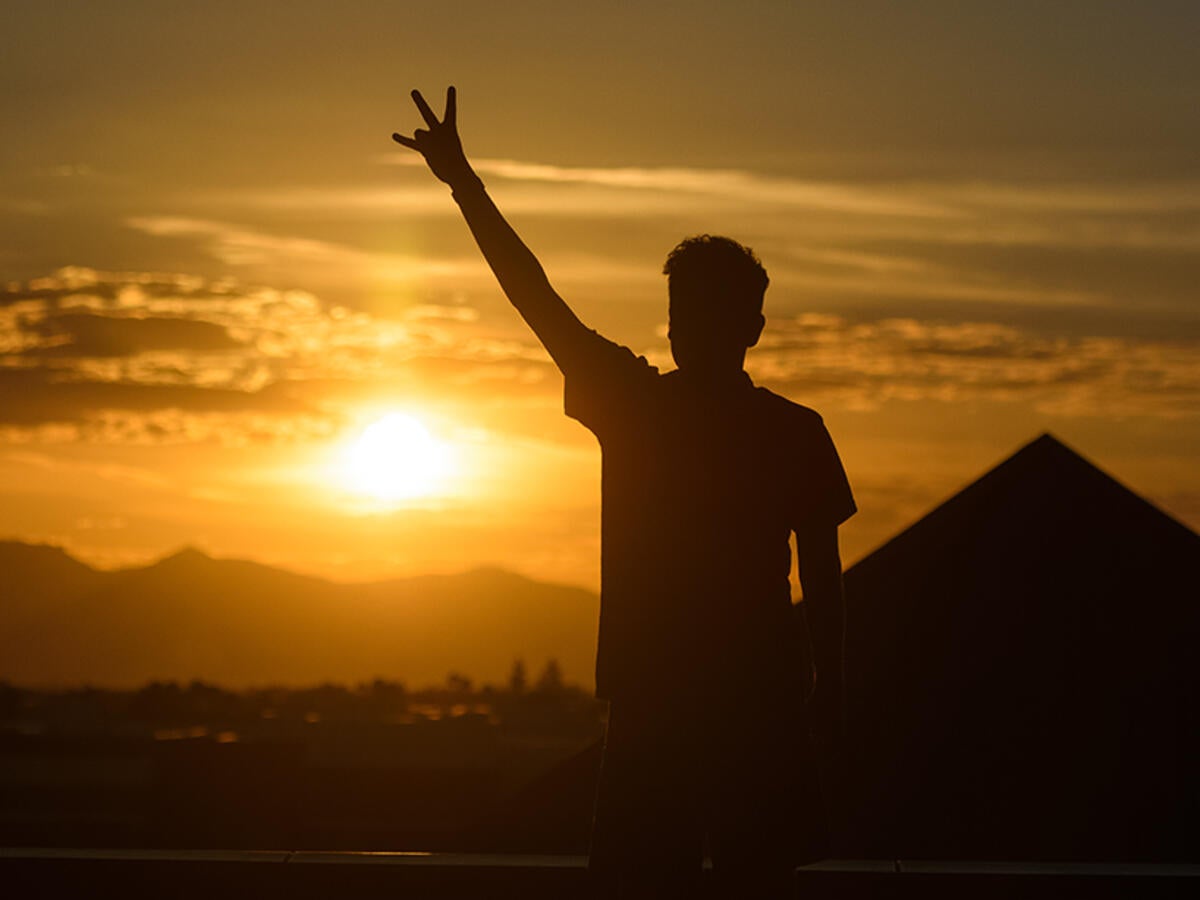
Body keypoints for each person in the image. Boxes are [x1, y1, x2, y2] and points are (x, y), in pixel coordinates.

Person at [393, 87, 855, 900]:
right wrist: (464, 186)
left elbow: (824, 582)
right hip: (715, 710)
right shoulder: (746, 422)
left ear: (748, 326)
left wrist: (465, 184)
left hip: (709, 710)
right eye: (682, 311)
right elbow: (825, 591)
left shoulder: (665, 410)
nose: (686, 328)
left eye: (700, 312)